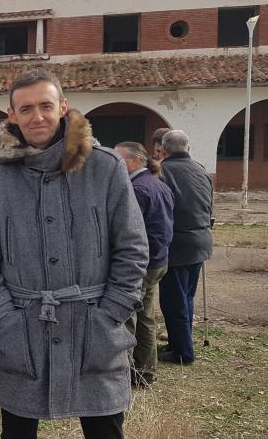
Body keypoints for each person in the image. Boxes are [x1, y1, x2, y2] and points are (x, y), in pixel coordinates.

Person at [0, 69, 148, 439]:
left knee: (105, 431)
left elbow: (132, 248)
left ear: (63, 107)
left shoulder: (105, 168)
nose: (37, 116)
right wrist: (5, 315)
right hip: (23, 329)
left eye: (46, 106)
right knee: (17, 432)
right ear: (12, 115)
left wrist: (112, 312)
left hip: (94, 327)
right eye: (27, 108)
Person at [114, 142, 175, 385]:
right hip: (157, 261)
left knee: (127, 317)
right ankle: (145, 371)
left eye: (119, 160)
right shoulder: (157, 184)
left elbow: (128, 232)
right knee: (146, 317)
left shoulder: (137, 189)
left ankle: (124, 372)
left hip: (140, 264)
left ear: (135, 161)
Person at [158, 130, 214, 366]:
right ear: (187, 148)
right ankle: (180, 343)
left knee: (173, 300)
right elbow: (210, 207)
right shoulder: (202, 169)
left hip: (178, 245)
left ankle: (183, 353)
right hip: (200, 241)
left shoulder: (162, 171)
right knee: (185, 298)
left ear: (164, 150)